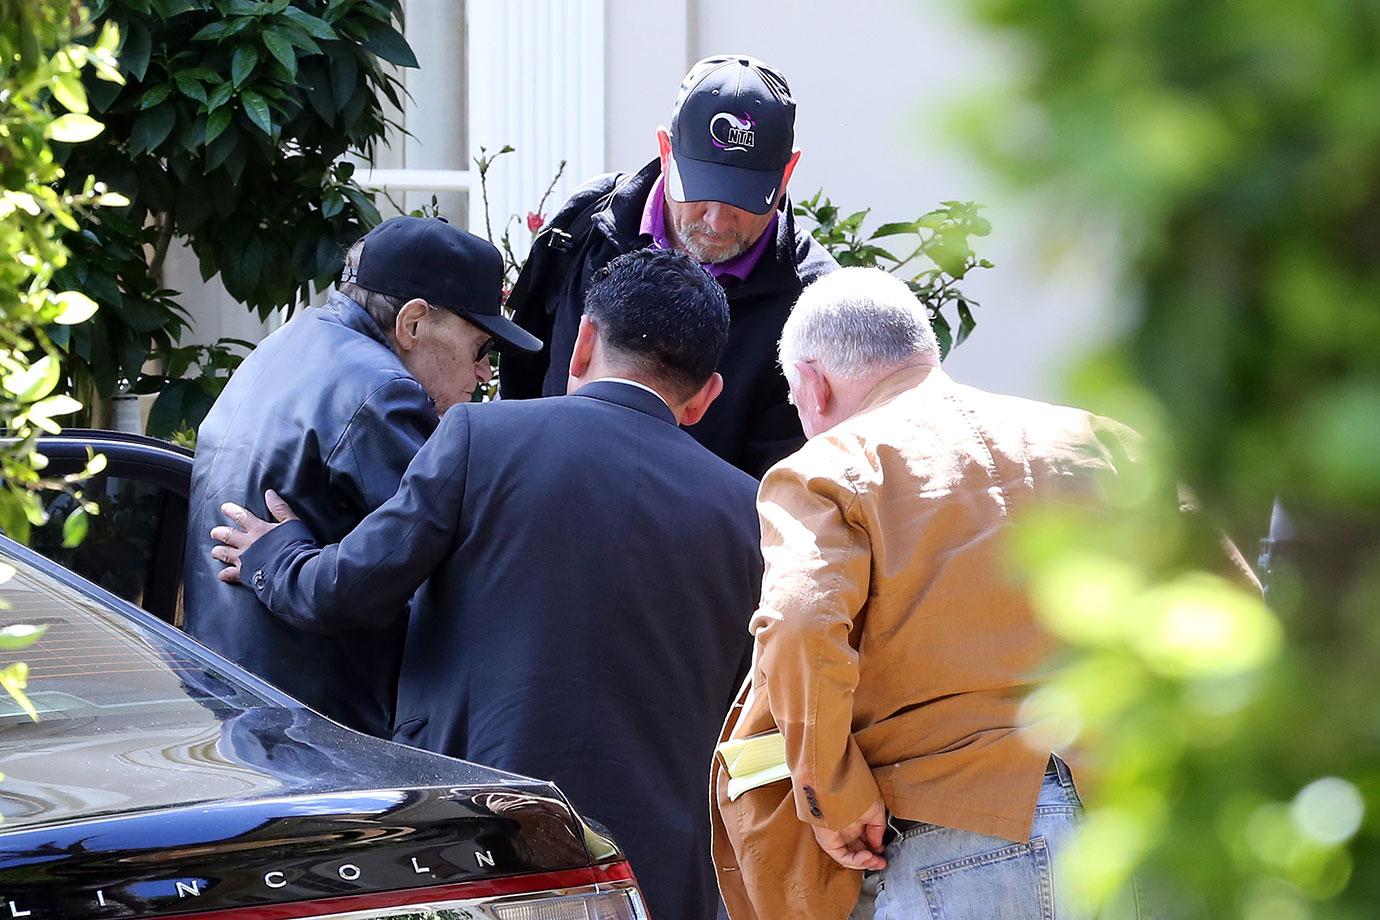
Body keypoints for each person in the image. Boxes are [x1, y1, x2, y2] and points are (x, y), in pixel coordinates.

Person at [208, 249, 764, 920]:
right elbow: (744, 709)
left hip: (483, 849)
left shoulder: (482, 437)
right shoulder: (748, 510)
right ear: (706, 397)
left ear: (583, 343)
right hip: (656, 874)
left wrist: (279, 553)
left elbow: (347, 589)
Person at [710, 268, 1147, 920]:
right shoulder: (1106, 442)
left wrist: (834, 795)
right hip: (1130, 834)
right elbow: (1229, 599)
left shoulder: (829, 468)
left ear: (812, 382)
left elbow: (801, 624)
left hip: (952, 837)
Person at [183, 216, 540, 737]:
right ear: (413, 323)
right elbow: (447, 571)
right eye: (482, 347)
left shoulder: (288, 344)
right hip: (317, 730)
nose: (486, 372)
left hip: (233, 701)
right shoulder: (382, 391)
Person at [500, 54, 837, 479]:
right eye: (700, 189)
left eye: (744, 199)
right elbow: (522, 376)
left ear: (787, 172)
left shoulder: (814, 306)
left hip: (709, 539)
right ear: (665, 151)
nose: (716, 220)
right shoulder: (587, 225)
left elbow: (788, 493)